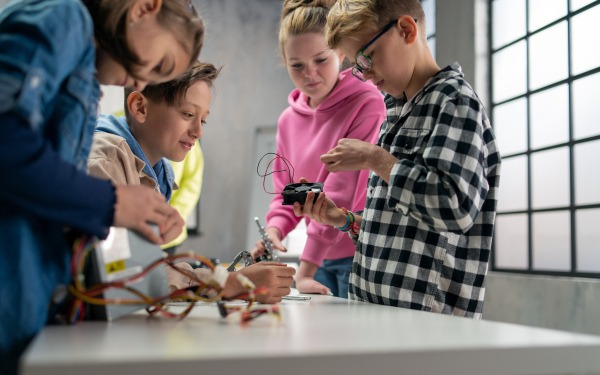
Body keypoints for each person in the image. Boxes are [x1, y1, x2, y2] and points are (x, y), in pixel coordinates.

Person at [0, 0, 204, 373]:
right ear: (143, 8)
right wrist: (109, 201)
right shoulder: (65, 18)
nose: (143, 82)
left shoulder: (85, 76)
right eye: (158, 66)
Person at [293, 0, 501, 318]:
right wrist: (344, 220)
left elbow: (454, 208)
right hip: (375, 314)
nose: (365, 74)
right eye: (357, 67)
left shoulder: (454, 102)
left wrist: (376, 158)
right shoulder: (395, 110)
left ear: (406, 29)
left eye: (366, 58)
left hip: (426, 326)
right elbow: (405, 231)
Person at [88, 62, 295, 303]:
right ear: (139, 107)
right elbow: (118, 273)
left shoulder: (158, 173)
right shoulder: (105, 162)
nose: (199, 131)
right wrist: (228, 283)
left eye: (203, 120)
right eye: (187, 114)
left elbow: (144, 268)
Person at [251, 0, 386, 299]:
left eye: (320, 60)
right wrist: (274, 232)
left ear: (340, 52)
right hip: (317, 258)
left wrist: (305, 270)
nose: (309, 74)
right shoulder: (288, 120)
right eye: (296, 65)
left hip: (362, 255)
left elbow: (341, 192)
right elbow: (286, 194)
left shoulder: (367, 103)